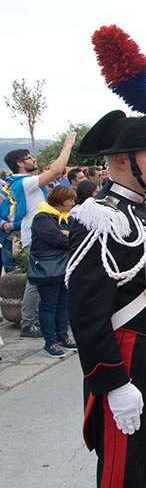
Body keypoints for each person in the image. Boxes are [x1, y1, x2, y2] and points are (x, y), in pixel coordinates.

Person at [67, 24, 146, 488]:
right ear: (119, 161)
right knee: (121, 477)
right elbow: (87, 312)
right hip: (125, 357)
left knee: (145, 467)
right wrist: (112, 382)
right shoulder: (100, 217)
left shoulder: (145, 206)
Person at [3, 134, 77, 338]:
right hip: (36, 236)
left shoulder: (24, 181)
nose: (33, 160)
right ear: (19, 163)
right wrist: (68, 144)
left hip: (40, 234)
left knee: (40, 282)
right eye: (28, 157)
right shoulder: (24, 182)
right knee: (37, 282)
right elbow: (55, 171)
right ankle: (28, 323)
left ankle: (40, 322)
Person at [28, 185, 77, 357]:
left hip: (64, 266)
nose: (73, 203)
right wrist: (68, 236)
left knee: (62, 303)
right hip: (48, 267)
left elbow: (79, 237)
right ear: (60, 200)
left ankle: (63, 336)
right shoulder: (42, 218)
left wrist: (69, 234)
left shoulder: (65, 218)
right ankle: (50, 341)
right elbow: (59, 240)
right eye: (70, 200)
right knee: (49, 304)